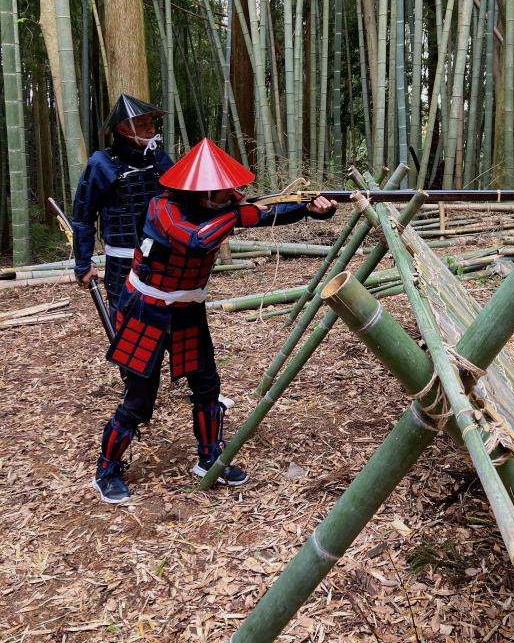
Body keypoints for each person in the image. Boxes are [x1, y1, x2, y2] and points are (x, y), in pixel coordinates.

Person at [92, 138, 337, 503]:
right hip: (146, 309)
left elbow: (267, 213)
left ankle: (210, 459)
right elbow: (194, 241)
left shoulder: (220, 209)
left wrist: (310, 209)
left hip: (188, 309)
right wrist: (236, 213)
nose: (235, 196)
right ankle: (106, 470)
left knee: (207, 387)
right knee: (139, 400)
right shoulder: (162, 208)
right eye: (225, 192)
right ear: (202, 193)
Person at [72, 94, 173, 315]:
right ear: (124, 129)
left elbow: (183, 199)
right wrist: (83, 264)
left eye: (150, 122)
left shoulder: (159, 159)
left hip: (161, 258)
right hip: (122, 261)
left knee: (163, 324)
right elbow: (83, 217)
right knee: (124, 324)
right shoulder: (102, 163)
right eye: (142, 123)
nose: (150, 128)